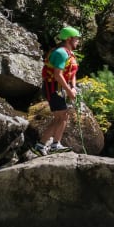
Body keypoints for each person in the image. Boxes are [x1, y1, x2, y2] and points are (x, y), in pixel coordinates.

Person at [32, 26, 81, 155]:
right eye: (76, 38)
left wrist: (73, 87)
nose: (78, 41)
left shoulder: (70, 53)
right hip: (53, 88)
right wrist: (69, 91)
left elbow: (73, 73)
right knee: (60, 117)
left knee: (64, 116)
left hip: (61, 88)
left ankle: (55, 145)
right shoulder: (61, 53)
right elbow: (57, 74)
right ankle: (40, 146)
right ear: (69, 39)